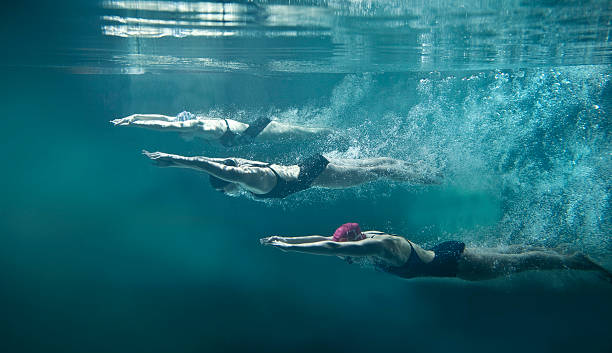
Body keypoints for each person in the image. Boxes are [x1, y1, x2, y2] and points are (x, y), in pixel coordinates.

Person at [260, 223, 612, 281]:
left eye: (347, 252)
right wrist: (287, 241)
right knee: (513, 255)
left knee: (521, 264)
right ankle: (560, 251)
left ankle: (576, 261)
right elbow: (329, 240)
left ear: (356, 243)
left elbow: (329, 246)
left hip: (454, 262)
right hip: (445, 253)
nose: (347, 256)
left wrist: (291, 251)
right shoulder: (365, 237)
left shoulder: (378, 245)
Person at [143, 151, 442, 199]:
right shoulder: (247, 168)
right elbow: (223, 160)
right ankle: (422, 166)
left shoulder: (246, 179)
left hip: (315, 174)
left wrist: (173, 160)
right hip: (310, 164)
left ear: (229, 182)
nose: (229, 194)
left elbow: (213, 165)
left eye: (225, 190)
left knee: (379, 171)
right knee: (375, 163)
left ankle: (431, 178)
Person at [111, 111, 331, 147]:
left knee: (303, 134)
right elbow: (164, 119)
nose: (179, 134)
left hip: (259, 132)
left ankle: (332, 133)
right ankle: (328, 132)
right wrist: (134, 116)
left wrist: (134, 123)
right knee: (300, 133)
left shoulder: (198, 126)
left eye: (179, 130)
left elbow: (163, 126)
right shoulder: (195, 126)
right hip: (254, 132)